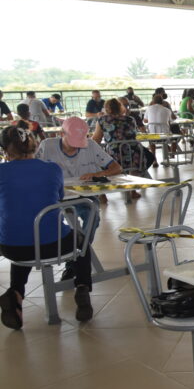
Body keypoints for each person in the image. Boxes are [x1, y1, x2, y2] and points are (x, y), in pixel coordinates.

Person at [0, 126, 94, 330]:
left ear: (5, 150)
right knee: (81, 240)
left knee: (24, 242)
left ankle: (16, 293)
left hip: (11, 247)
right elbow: (58, 198)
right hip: (54, 245)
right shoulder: (52, 168)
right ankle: (82, 286)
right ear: (34, 144)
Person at [36, 117, 122, 280]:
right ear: (62, 133)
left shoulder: (91, 145)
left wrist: (97, 174)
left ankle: (74, 259)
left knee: (93, 218)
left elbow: (116, 168)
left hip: (85, 196)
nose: (76, 146)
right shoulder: (47, 146)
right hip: (57, 197)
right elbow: (33, 171)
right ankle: (77, 258)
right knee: (70, 225)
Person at [92, 98, 150, 199]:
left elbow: (96, 139)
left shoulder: (102, 120)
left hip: (114, 156)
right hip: (134, 154)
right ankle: (132, 190)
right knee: (135, 162)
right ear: (120, 108)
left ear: (106, 108)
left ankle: (102, 194)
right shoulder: (130, 119)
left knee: (95, 162)